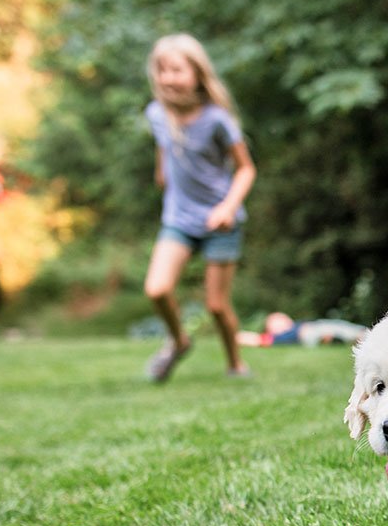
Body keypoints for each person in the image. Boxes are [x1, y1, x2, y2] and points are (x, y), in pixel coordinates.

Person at [140, 34, 258, 382]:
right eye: (162, 70)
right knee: (157, 289)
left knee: (217, 305)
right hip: (178, 218)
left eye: (176, 70)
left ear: (197, 74)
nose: (168, 78)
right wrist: (164, 175)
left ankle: (236, 364)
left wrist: (227, 207)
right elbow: (166, 148)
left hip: (220, 221)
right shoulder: (156, 114)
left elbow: (246, 169)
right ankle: (178, 341)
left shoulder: (217, 120)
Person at [237, 312, 367, 348]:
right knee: (338, 329)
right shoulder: (277, 337)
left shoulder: (294, 326)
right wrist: (234, 336)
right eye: (276, 319)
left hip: (316, 327)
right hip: (309, 333)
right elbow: (256, 339)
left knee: (338, 326)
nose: (282, 318)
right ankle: (363, 335)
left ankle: (332, 339)